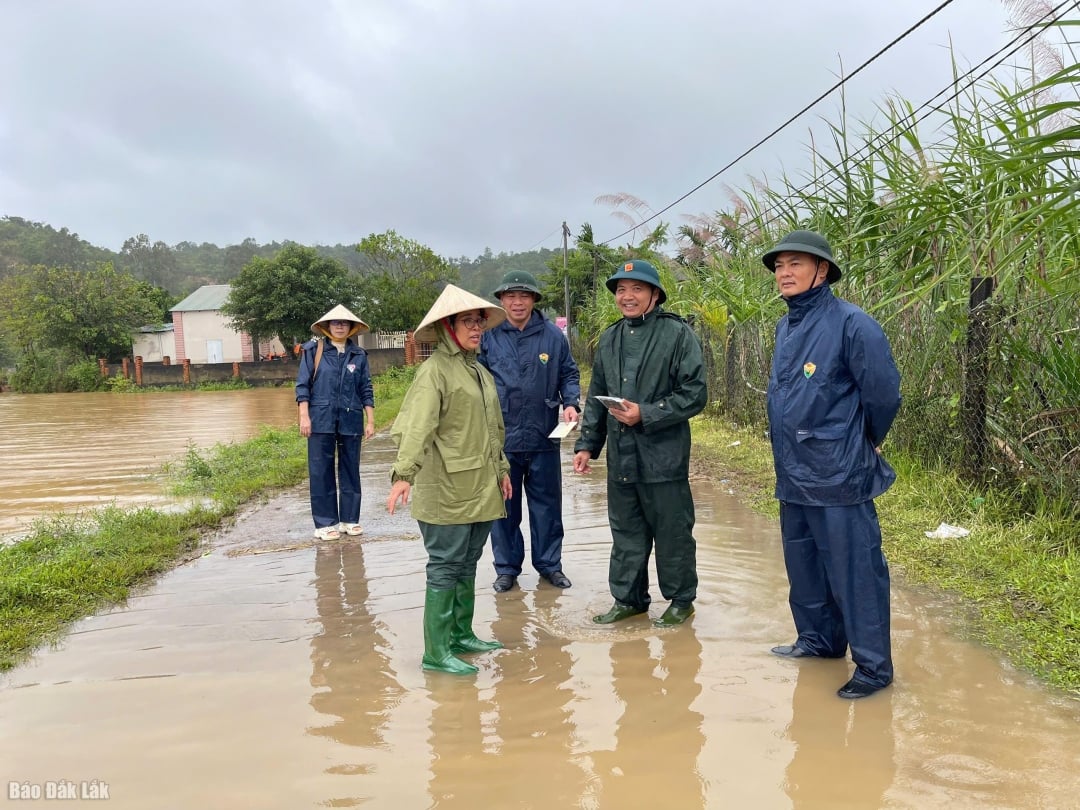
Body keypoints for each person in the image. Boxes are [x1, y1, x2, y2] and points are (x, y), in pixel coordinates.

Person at [761, 230, 902, 700]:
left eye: (796, 263)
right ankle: (820, 640)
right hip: (793, 469)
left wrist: (865, 441)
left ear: (822, 271)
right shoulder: (786, 327)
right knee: (804, 564)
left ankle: (873, 668)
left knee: (854, 569)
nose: (784, 273)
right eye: (780, 265)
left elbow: (883, 394)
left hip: (839, 472)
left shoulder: (852, 324)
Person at [572, 259, 707, 627]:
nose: (627, 297)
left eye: (636, 289)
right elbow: (598, 394)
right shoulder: (611, 338)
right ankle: (629, 599)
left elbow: (695, 393)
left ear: (654, 294)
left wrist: (645, 414)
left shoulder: (677, 335)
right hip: (622, 458)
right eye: (620, 290)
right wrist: (587, 444)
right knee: (626, 532)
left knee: (672, 532)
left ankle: (681, 600)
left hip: (663, 457)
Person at [386, 284, 513, 675]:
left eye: (479, 321)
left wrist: (503, 470)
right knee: (444, 565)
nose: (476, 328)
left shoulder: (477, 370)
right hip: (447, 490)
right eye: (467, 321)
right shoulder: (435, 372)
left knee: (469, 561)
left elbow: (492, 428)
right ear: (446, 327)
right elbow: (417, 427)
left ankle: (460, 635)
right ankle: (436, 652)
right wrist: (403, 475)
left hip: (480, 485)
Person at [479, 270, 581, 593]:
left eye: (524, 296)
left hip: (544, 435)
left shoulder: (552, 336)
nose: (517, 302)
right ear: (501, 300)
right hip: (503, 439)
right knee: (504, 508)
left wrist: (571, 402)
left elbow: (569, 373)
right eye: (511, 296)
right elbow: (477, 381)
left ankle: (550, 565)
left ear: (534, 300)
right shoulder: (489, 336)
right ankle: (507, 568)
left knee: (547, 506)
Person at [296, 305, 376, 541]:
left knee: (351, 469)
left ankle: (349, 520)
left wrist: (370, 420)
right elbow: (302, 386)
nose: (340, 326)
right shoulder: (314, 351)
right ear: (327, 326)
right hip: (320, 418)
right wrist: (304, 415)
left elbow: (366, 388)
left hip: (351, 419)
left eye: (344, 323)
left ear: (351, 327)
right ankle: (325, 523)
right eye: (335, 322)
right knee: (321, 471)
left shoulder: (359, 355)